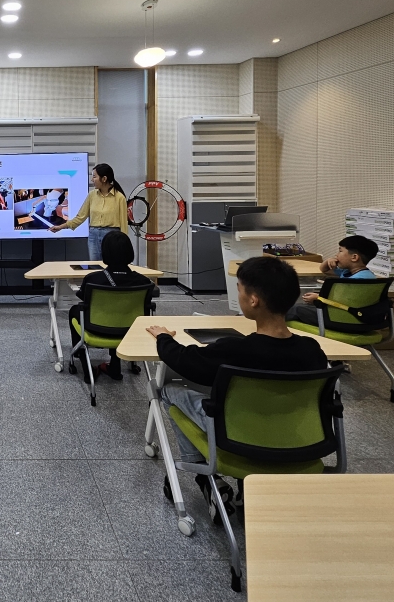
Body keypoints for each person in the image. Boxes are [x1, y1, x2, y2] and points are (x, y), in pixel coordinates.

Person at [146, 256, 328, 517]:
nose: (238, 294)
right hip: (299, 442)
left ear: (253, 300)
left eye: (239, 289)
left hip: (237, 437)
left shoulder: (234, 350)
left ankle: (205, 477)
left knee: (168, 389)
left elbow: (185, 361)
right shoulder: (312, 351)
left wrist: (163, 337)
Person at [68, 230, 153, 382]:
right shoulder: (143, 281)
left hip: (96, 328)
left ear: (105, 253)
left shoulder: (93, 279)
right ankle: (114, 366)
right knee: (121, 313)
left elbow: (82, 298)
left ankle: (84, 363)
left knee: (75, 311)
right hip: (131, 330)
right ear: (130, 252)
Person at [285, 235, 379, 326]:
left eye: (340, 251)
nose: (336, 255)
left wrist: (318, 298)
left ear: (354, 257)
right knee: (299, 307)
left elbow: (342, 302)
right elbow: (324, 270)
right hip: (357, 318)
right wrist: (328, 261)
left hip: (344, 318)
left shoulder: (358, 280)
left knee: (294, 309)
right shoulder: (356, 273)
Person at [50, 163, 129, 260]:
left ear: (104, 179)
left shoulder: (119, 197)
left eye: (94, 177)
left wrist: (124, 245)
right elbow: (80, 217)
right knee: (94, 265)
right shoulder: (92, 195)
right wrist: (61, 227)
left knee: (111, 263)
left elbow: (124, 224)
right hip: (93, 235)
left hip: (111, 236)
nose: (92, 180)